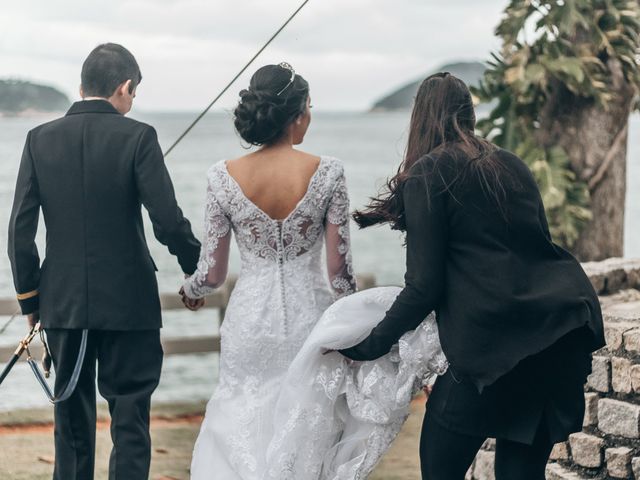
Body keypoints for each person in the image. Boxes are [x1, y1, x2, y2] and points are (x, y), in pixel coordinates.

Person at [339, 72, 605, 480]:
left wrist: (369, 344)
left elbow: (424, 286)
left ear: (420, 117)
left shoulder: (429, 174)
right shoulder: (510, 163)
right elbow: (536, 248)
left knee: (440, 469)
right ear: (469, 114)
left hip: (493, 344)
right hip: (556, 331)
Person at [8, 43, 201, 480]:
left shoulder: (38, 139)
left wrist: (31, 301)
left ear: (81, 86)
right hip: (130, 305)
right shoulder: (139, 136)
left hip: (63, 304)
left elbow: (20, 233)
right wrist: (196, 268)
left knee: (71, 425)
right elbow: (167, 222)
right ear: (126, 87)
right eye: (135, 93)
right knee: (130, 419)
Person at [182, 63, 357, 479]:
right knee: (308, 425)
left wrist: (190, 290)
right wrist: (353, 322)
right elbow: (338, 273)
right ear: (297, 115)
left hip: (249, 322)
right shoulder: (329, 172)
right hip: (309, 319)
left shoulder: (222, 177)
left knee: (242, 418)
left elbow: (213, 274)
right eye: (309, 107)